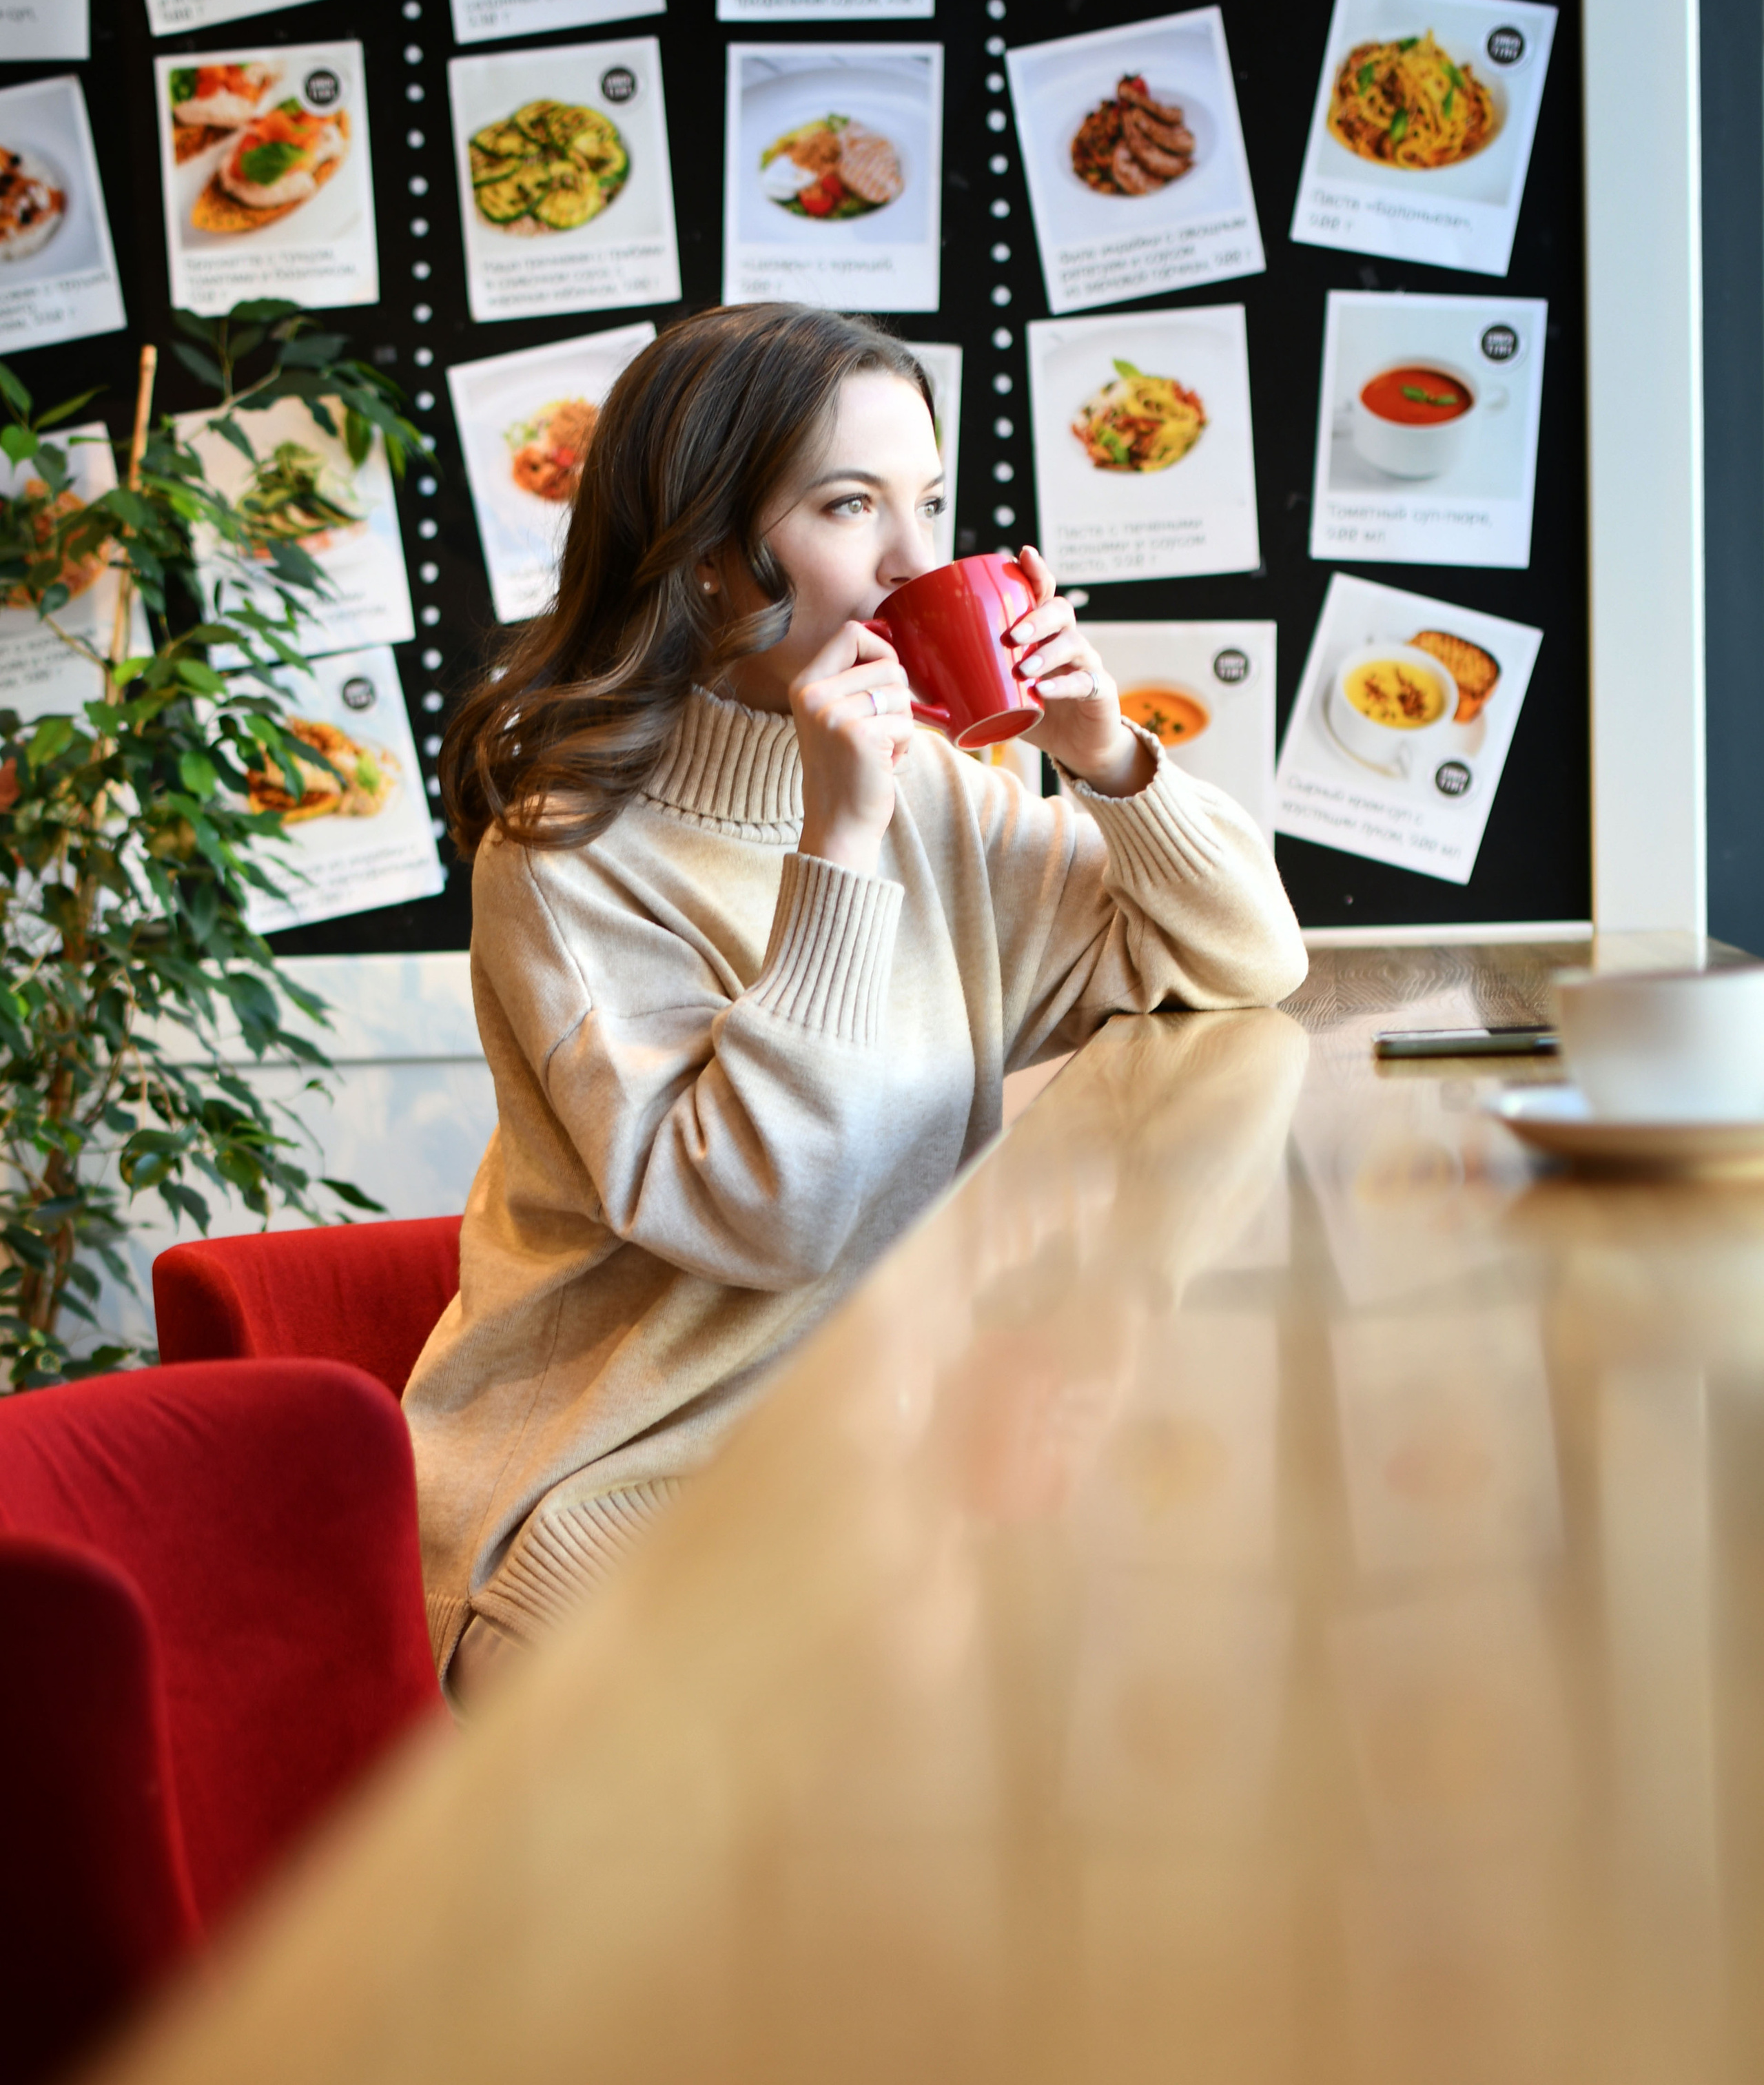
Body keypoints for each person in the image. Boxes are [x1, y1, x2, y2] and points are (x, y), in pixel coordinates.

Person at [408, 302, 1307, 1696]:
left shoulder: (945, 792)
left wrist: (1104, 751)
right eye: (848, 505)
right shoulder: (562, 856)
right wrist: (836, 840)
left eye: (929, 502)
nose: (914, 561)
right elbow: (770, 1216)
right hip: (614, 1476)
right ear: (710, 563)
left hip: (880, 1438)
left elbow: (1246, 956)